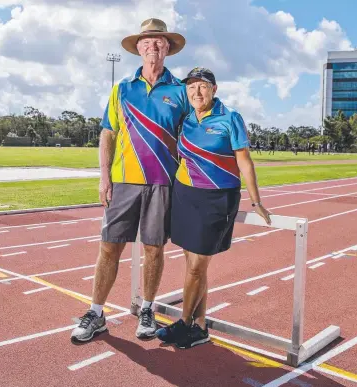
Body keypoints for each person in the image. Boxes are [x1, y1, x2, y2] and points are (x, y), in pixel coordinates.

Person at [71, 18, 190, 343]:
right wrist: (104, 177)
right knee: (109, 248)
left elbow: (191, 138)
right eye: (147, 41)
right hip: (123, 182)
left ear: (168, 48)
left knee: (153, 249)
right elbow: (107, 133)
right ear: (138, 48)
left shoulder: (181, 92)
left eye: (159, 41)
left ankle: (148, 309)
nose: (153, 46)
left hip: (162, 184)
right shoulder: (122, 89)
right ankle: (96, 313)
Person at [156, 67, 272, 349]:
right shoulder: (185, 121)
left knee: (197, 266)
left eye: (203, 86)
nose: (197, 92)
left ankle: (184, 324)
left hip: (217, 198)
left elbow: (245, 161)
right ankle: (200, 326)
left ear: (214, 89)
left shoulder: (230, 118)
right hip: (185, 195)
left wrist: (255, 200)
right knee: (194, 266)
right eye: (192, 87)